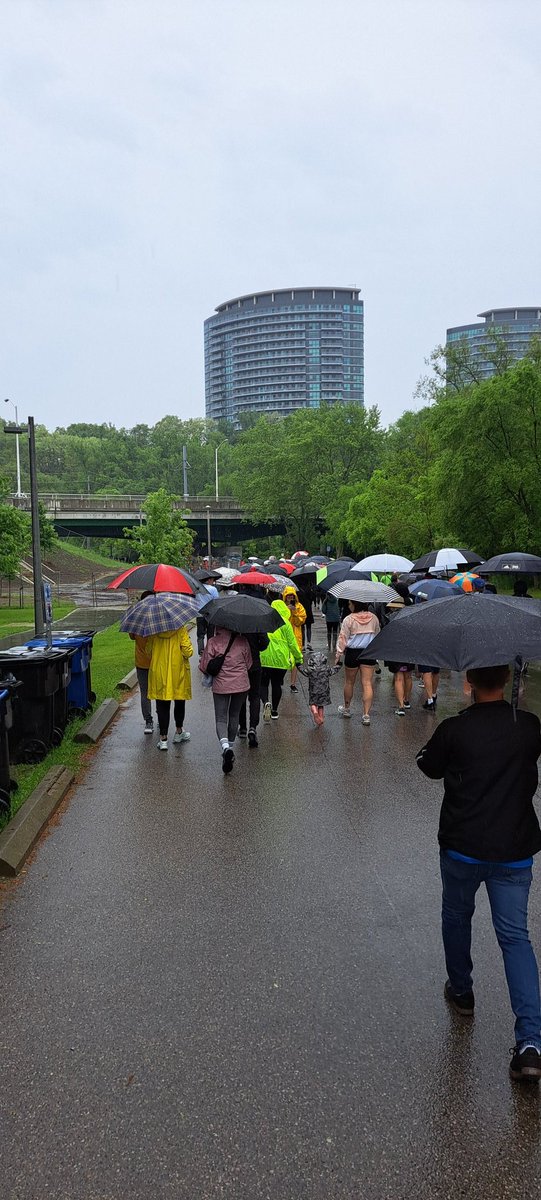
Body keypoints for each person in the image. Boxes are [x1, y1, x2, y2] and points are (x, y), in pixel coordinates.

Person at [416, 664, 541, 1081]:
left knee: (456, 916)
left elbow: (429, 767)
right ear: (506, 679)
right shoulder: (527, 726)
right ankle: (530, 1042)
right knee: (515, 937)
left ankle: (462, 989)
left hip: (463, 847)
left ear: (468, 682)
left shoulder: (455, 729)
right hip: (514, 848)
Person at [199, 628, 252, 773]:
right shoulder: (243, 641)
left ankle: (225, 748)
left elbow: (204, 666)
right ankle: (231, 748)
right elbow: (249, 664)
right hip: (241, 685)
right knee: (234, 715)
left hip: (221, 685)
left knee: (221, 718)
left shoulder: (213, 642)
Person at [145, 624, 193, 751]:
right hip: (178, 672)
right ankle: (179, 731)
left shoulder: (153, 630)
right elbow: (188, 652)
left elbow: (148, 651)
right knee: (179, 700)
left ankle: (163, 739)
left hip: (159, 672)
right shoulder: (180, 629)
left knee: (162, 704)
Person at [335, 601, 380, 724]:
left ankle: (347, 709)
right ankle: (366, 715)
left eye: (350, 603)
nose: (348, 606)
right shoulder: (374, 618)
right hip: (368, 653)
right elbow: (377, 635)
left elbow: (342, 638)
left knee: (349, 682)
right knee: (367, 683)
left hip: (352, 653)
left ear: (355, 604)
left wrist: (338, 655)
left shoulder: (348, 619)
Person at [260, 598, 303, 720]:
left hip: (264, 658)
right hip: (281, 659)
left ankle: (265, 702)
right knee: (276, 684)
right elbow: (292, 644)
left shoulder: (264, 620)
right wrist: (299, 658)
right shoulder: (285, 623)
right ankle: (274, 711)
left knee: (263, 683)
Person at [129, 589, 155, 735]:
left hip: (141, 662)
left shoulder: (135, 617)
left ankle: (148, 722)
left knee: (145, 693)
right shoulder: (159, 618)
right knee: (158, 692)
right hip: (158, 662)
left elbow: (132, 637)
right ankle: (161, 717)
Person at [237, 631, 269, 748]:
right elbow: (265, 643)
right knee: (255, 696)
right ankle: (253, 727)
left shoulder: (235, 622)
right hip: (255, 664)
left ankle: (242, 728)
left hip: (239, 664)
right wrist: (257, 646)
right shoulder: (256, 622)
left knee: (240, 696)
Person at [298, 651, 341, 726]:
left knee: (313, 703)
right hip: (324, 690)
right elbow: (334, 670)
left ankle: (315, 712)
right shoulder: (326, 669)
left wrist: (298, 665)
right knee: (321, 705)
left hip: (313, 690)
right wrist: (339, 665)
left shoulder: (310, 669)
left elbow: (303, 671)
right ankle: (321, 718)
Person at [283, 585, 306, 692]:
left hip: (296, 637)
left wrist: (294, 612)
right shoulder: (282, 607)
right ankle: (280, 679)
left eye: (292, 596)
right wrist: (286, 611)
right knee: (283, 659)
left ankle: (293, 684)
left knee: (295, 662)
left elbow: (300, 622)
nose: (290, 598)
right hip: (284, 637)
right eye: (288, 596)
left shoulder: (299, 607)